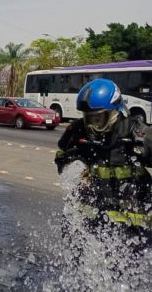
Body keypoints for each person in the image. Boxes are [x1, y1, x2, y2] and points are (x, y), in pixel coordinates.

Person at [54, 78, 152, 235]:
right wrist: (71, 161)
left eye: (98, 120)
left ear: (114, 112)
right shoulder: (79, 130)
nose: (92, 127)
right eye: (88, 119)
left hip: (135, 228)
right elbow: (63, 151)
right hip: (95, 221)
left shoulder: (139, 135)